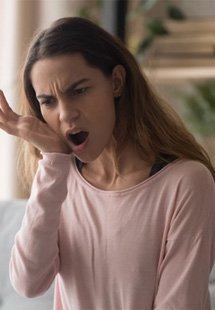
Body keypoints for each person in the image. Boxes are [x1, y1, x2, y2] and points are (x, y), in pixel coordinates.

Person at [0, 16, 215, 310]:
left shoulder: (186, 182)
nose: (65, 115)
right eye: (48, 101)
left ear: (116, 82)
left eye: (78, 91)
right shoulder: (59, 180)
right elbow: (28, 282)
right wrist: (52, 163)